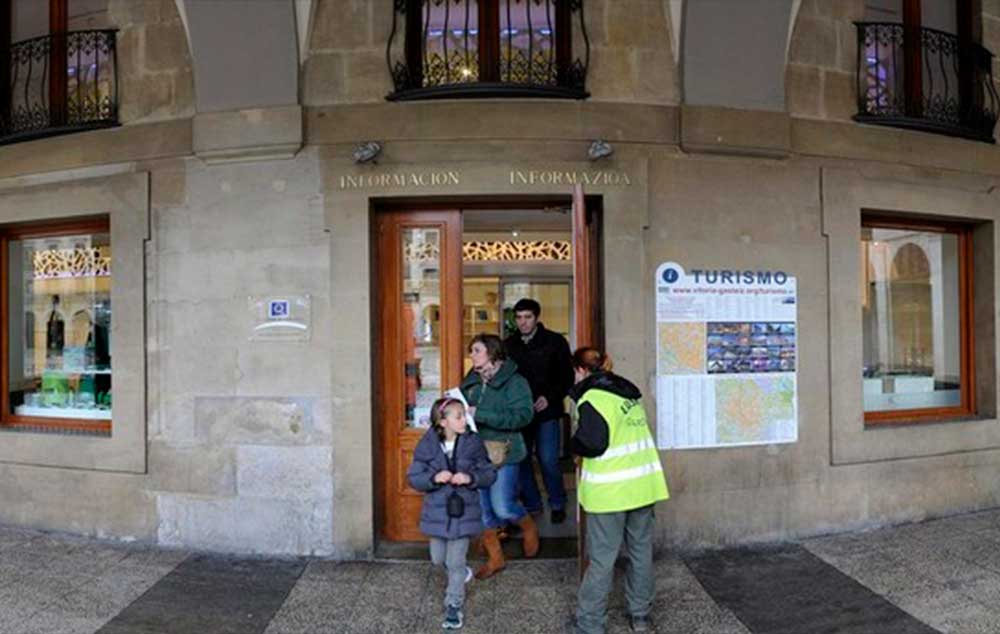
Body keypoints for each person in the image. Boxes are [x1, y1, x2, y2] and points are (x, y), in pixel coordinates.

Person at [570, 348, 670, 634]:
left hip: (610, 492)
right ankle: (640, 617)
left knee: (602, 559)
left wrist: (572, 447)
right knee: (640, 553)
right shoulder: (629, 396)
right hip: (643, 486)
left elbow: (593, 443)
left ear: (582, 371)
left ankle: (590, 624)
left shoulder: (592, 399)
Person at [407, 397, 496, 630]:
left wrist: (470, 478)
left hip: (464, 510)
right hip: (437, 512)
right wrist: (434, 478)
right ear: (442, 421)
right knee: (438, 559)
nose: (464, 420)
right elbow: (414, 476)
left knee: (454, 561)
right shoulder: (427, 444)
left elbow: (488, 473)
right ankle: (462, 572)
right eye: (458, 416)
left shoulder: (473, 442)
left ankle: (453, 606)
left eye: (464, 415)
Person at [460, 333, 538, 579]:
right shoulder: (471, 379)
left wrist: (480, 413)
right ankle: (496, 559)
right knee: (483, 511)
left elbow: (523, 417)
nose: (471, 355)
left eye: (476, 350)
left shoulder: (515, 382)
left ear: (493, 353)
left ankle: (527, 525)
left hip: (504, 452)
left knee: (503, 507)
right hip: (475, 454)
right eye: (471, 351)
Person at [503, 298, 573, 524]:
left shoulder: (555, 342)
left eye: (527, 317)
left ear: (537, 318)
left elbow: (567, 378)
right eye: (519, 317)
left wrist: (549, 398)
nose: (523, 322)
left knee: (549, 460)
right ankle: (533, 504)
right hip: (519, 413)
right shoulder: (509, 345)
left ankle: (557, 503)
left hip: (547, 412)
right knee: (521, 460)